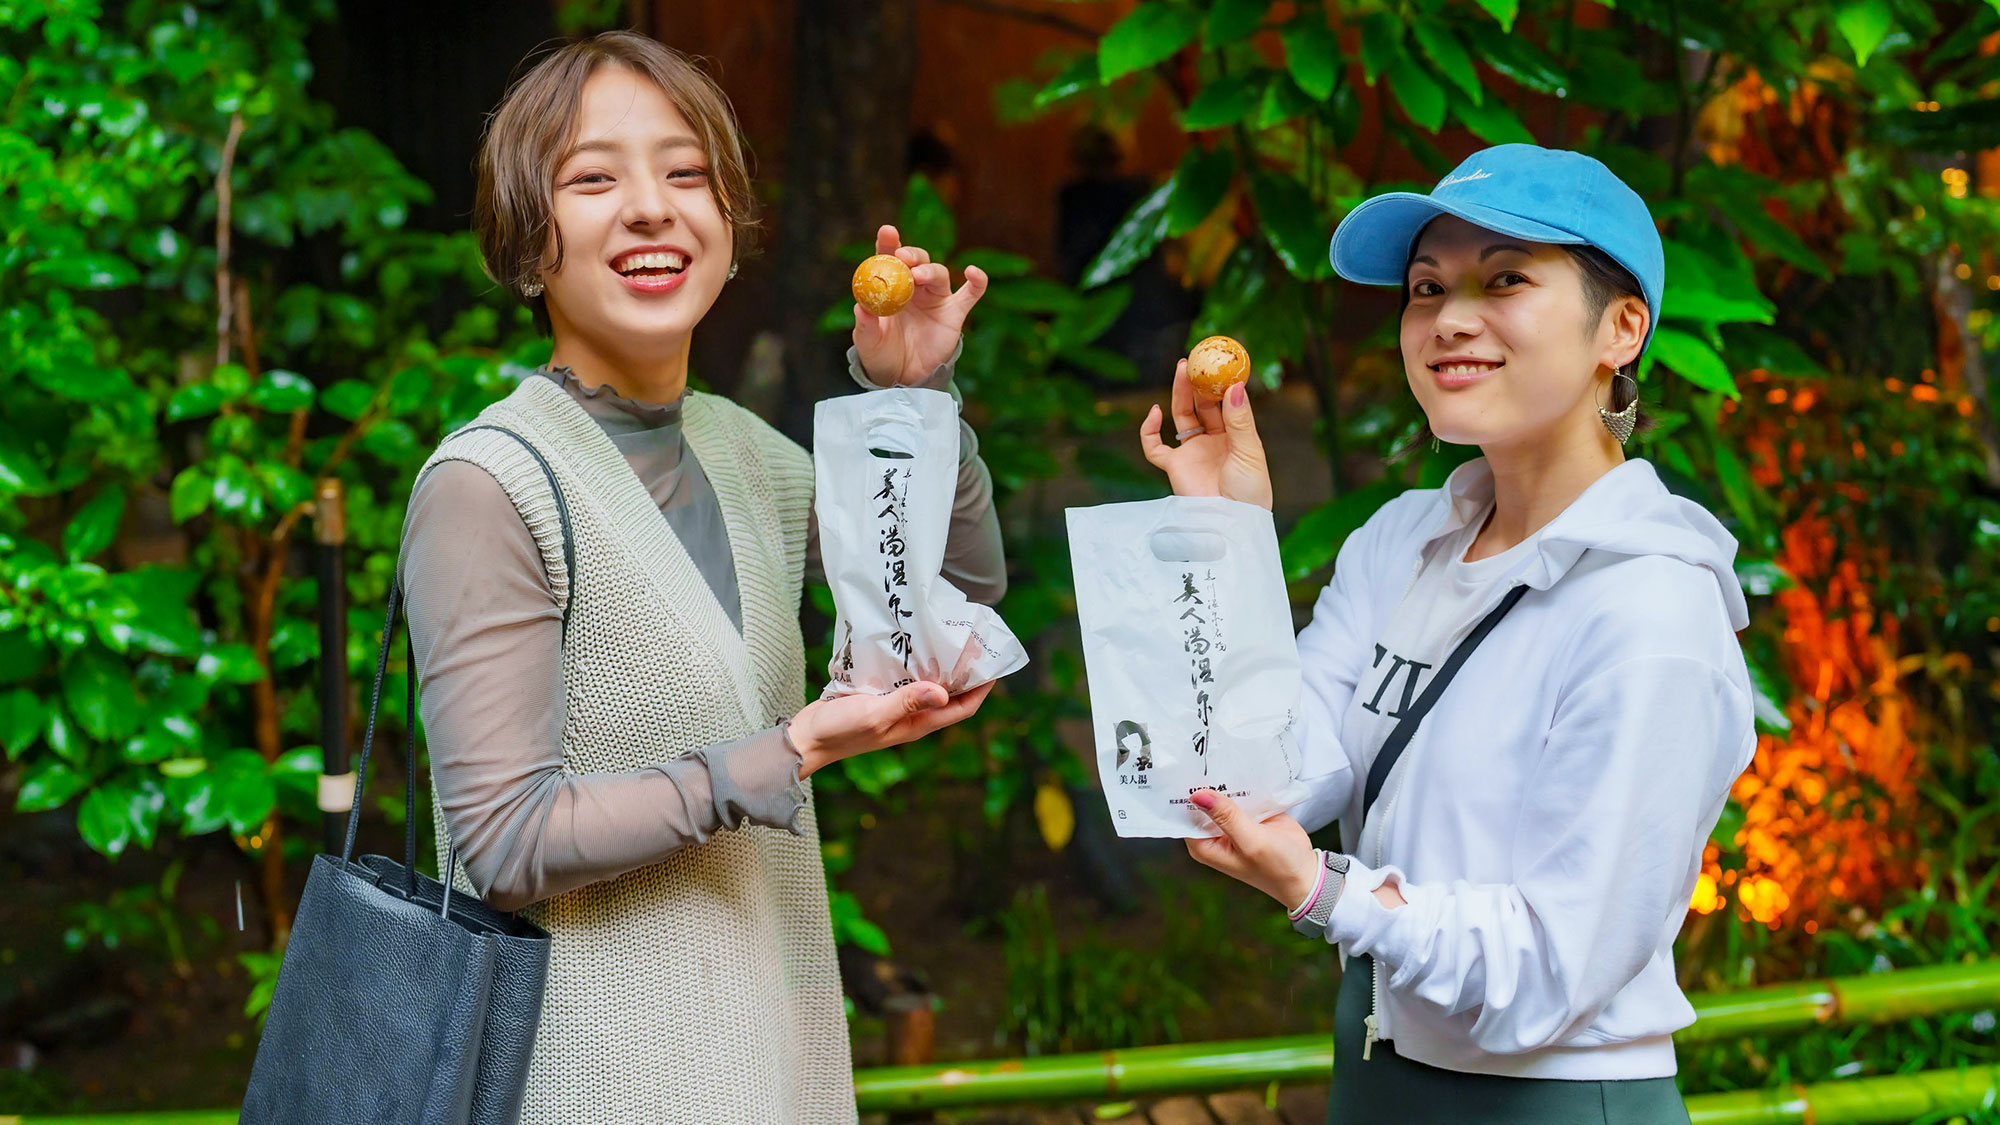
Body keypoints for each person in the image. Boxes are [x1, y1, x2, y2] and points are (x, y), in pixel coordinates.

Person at [397, 31, 1005, 1122]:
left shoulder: (747, 456)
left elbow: (945, 607)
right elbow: (499, 844)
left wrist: (910, 398)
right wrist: (786, 752)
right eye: (593, 178)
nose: (650, 208)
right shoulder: (489, 486)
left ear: (728, 229)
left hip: (769, 1064)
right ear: (530, 243)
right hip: (590, 1086)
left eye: (685, 174)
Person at [1140, 144, 1754, 1122]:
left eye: (1504, 278)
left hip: (1550, 1100)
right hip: (1375, 1068)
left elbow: (1556, 968)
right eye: (1425, 288)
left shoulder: (1649, 611)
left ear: (1621, 329)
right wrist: (1226, 545)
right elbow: (1257, 776)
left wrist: (1324, 889)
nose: (1447, 319)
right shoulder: (1402, 542)